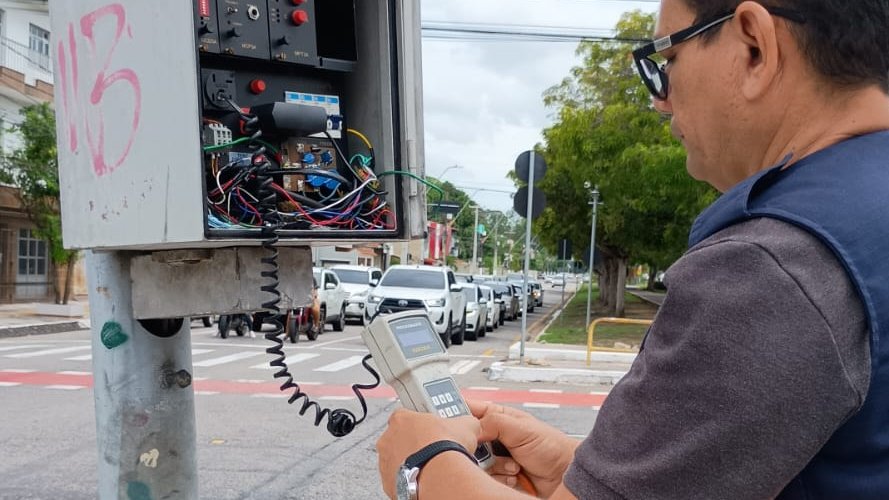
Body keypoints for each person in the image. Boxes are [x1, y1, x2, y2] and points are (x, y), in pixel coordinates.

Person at [375, 0, 889, 498]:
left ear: (754, 47)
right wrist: (584, 473)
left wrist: (425, 468)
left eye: (668, 59)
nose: (660, 100)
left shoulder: (770, 269)